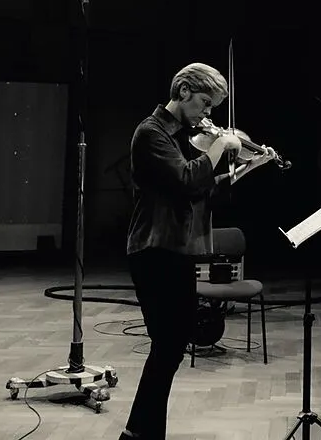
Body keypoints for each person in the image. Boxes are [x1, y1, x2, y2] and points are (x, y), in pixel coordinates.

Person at [119, 62, 276, 440]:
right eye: (205, 104)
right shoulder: (151, 132)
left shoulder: (182, 137)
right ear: (184, 91)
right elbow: (186, 179)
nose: (208, 115)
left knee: (170, 349)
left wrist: (249, 167)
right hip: (154, 248)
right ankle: (139, 433)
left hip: (178, 250)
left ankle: (141, 433)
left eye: (213, 108)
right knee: (167, 347)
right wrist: (221, 145)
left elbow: (204, 189)